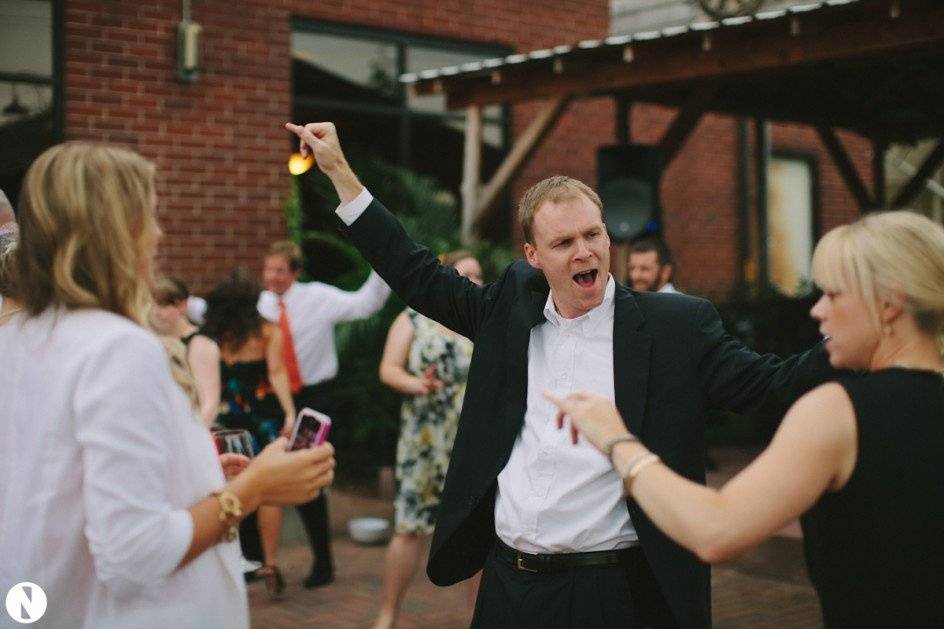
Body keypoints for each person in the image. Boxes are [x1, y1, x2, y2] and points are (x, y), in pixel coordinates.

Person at [285, 121, 833, 629]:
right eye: (564, 243)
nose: (585, 251)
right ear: (533, 255)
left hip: (614, 590)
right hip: (509, 587)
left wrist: (857, 341)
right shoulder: (507, 312)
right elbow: (415, 271)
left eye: (593, 235)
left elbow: (771, 385)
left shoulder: (675, 328)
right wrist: (339, 172)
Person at [547, 210, 944, 627]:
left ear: (890, 302)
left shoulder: (838, 411)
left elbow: (715, 530)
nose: (819, 312)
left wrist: (616, 440)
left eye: (836, 294)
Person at [0, 142, 334, 629]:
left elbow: (61, 484)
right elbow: (133, 555)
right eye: (149, 217)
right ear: (116, 232)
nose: (157, 236)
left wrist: (195, 477)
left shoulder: (17, 337)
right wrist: (253, 488)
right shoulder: (117, 348)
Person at [258, 239, 391, 587]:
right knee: (264, 471)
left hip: (317, 398)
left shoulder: (317, 297)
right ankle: (261, 561)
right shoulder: (261, 305)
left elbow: (366, 305)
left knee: (307, 476)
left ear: (295, 272)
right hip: (276, 399)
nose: (271, 277)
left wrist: (385, 261)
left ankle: (323, 562)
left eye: (279, 270)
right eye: (267, 269)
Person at [373, 250, 480, 629]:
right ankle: (388, 614)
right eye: (466, 273)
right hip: (424, 441)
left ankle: (479, 619)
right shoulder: (413, 319)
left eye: (479, 276)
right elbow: (388, 369)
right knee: (410, 528)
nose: (473, 282)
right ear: (447, 275)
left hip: (471, 442)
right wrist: (417, 384)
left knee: (478, 533)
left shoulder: (480, 321)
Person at [203, 270, 297, 598]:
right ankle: (270, 563)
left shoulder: (209, 335)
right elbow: (276, 371)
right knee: (268, 491)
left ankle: (233, 561)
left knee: (228, 488)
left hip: (225, 419)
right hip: (262, 417)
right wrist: (289, 411)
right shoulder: (266, 331)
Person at [152, 275, 222, 427]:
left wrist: (191, 438)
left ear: (182, 305)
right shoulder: (153, 339)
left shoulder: (199, 343)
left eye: (163, 305)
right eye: (152, 305)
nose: (156, 312)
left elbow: (209, 403)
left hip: (189, 430)